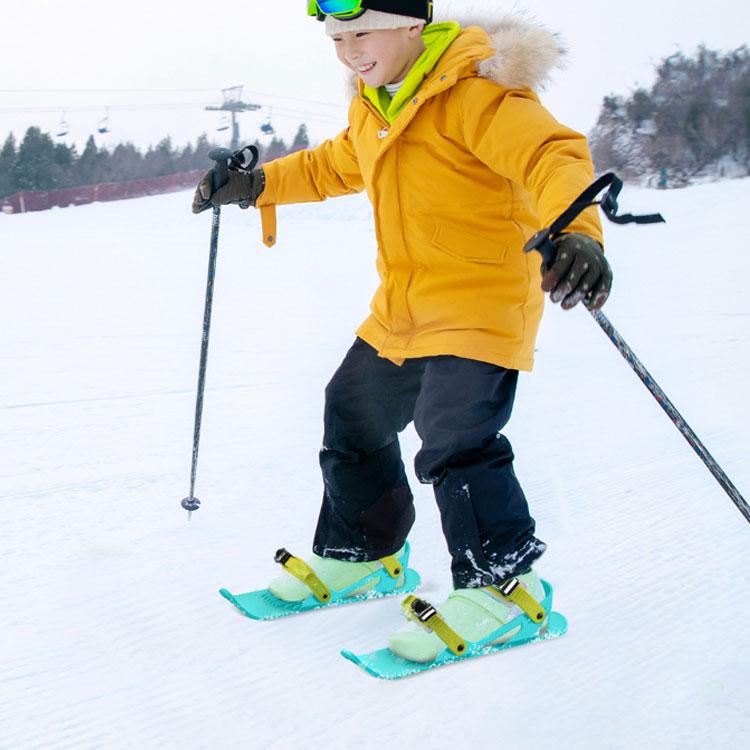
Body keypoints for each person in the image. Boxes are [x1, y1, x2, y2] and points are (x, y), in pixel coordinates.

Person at [192, 0, 612, 664]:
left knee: (455, 436)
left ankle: (506, 590)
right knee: (352, 411)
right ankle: (366, 552)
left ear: (411, 25)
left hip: (480, 302)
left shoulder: (475, 92)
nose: (348, 52)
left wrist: (578, 232)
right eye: (336, 39)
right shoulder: (377, 104)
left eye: (361, 34)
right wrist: (258, 182)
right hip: (405, 308)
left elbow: (551, 155)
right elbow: (335, 165)